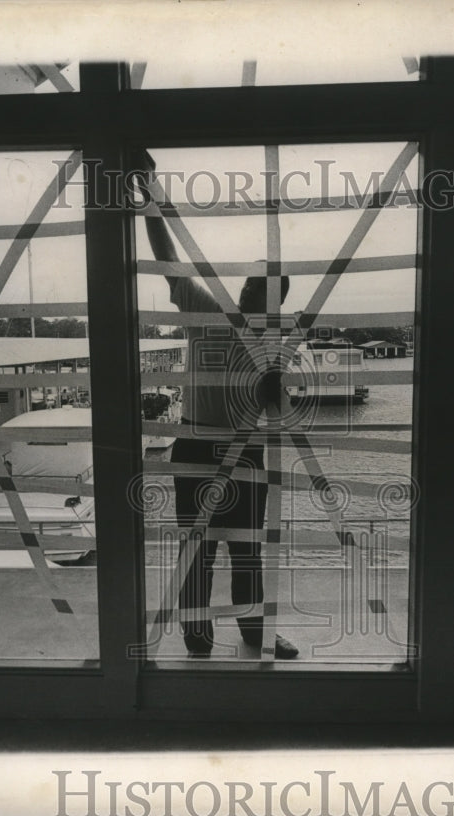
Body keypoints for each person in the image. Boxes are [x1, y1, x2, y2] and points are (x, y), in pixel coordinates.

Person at [135, 162, 299, 660]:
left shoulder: (274, 342)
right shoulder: (211, 316)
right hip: (203, 444)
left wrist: (277, 387)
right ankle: (202, 638)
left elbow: (284, 412)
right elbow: (167, 258)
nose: (251, 292)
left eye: (262, 289)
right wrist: (151, 198)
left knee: (243, 549)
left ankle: (248, 632)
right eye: (252, 285)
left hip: (239, 449)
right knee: (201, 549)